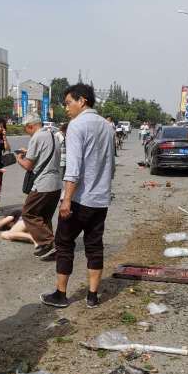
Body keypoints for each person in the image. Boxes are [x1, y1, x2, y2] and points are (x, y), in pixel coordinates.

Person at [40, 84, 115, 309]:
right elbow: (110, 164)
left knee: (64, 243)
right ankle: (92, 296)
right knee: (94, 245)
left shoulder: (76, 125)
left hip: (80, 199)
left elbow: (73, 168)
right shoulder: (107, 125)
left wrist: (66, 199)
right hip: (101, 198)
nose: (66, 108)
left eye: (68, 103)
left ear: (81, 101)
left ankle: (61, 294)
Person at [16, 112, 62, 261]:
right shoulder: (53, 136)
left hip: (43, 184)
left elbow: (29, 166)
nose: (26, 133)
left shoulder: (37, 137)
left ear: (30, 126)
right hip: (56, 183)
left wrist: (19, 159)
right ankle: (50, 249)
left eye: (26, 129)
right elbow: (44, 157)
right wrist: (28, 152)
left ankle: (49, 242)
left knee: (28, 213)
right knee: (44, 217)